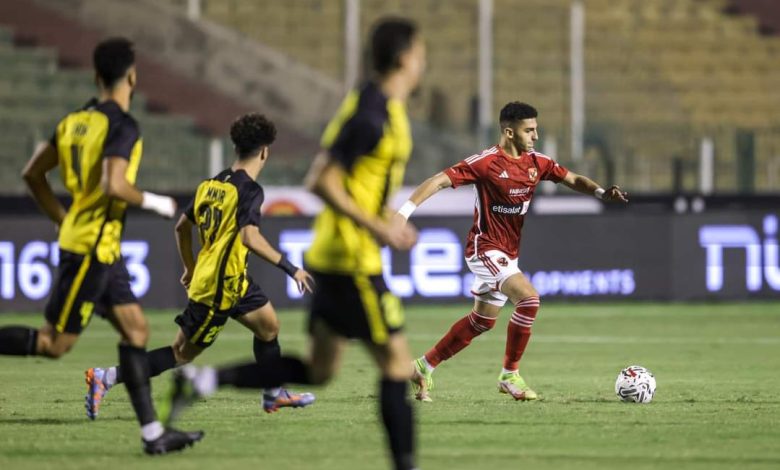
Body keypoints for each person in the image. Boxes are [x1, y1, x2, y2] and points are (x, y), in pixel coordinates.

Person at [164, 18, 425, 470]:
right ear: (404, 58)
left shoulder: (377, 105)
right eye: (421, 53)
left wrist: (382, 217)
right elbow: (321, 181)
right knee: (398, 366)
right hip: (351, 261)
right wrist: (379, 228)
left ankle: (202, 380)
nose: (424, 62)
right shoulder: (372, 115)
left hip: (333, 256)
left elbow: (360, 184)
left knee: (320, 370)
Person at [0, 37, 202, 454]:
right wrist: (157, 202)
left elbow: (32, 174)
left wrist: (63, 218)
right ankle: (152, 434)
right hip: (91, 250)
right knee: (54, 344)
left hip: (99, 247)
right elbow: (114, 183)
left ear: (95, 76)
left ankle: (153, 436)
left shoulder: (73, 121)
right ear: (132, 76)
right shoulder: (122, 125)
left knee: (137, 329)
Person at [84, 113, 316, 418]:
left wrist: (191, 267)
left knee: (269, 326)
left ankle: (273, 395)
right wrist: (292, 269)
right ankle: (107, 377)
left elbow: (181, 226)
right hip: (217, 290)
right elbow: (250, 238)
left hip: (233, 282)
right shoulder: (250, 191)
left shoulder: (212, 184)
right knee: (181, 353)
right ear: (264, 152)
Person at [398, 102, 629, 403]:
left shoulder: (538, 162)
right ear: (509, 131)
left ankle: (423, 366)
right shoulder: (487, 163)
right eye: (529, 130)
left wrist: (600, 193)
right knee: (529, 299)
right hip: (485, 249)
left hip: (507, 253)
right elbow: (438, 181)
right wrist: (402, 213)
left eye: (536, 129)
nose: (536, 135)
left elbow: (571, 179)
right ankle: (509, 375)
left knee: (483, 321)